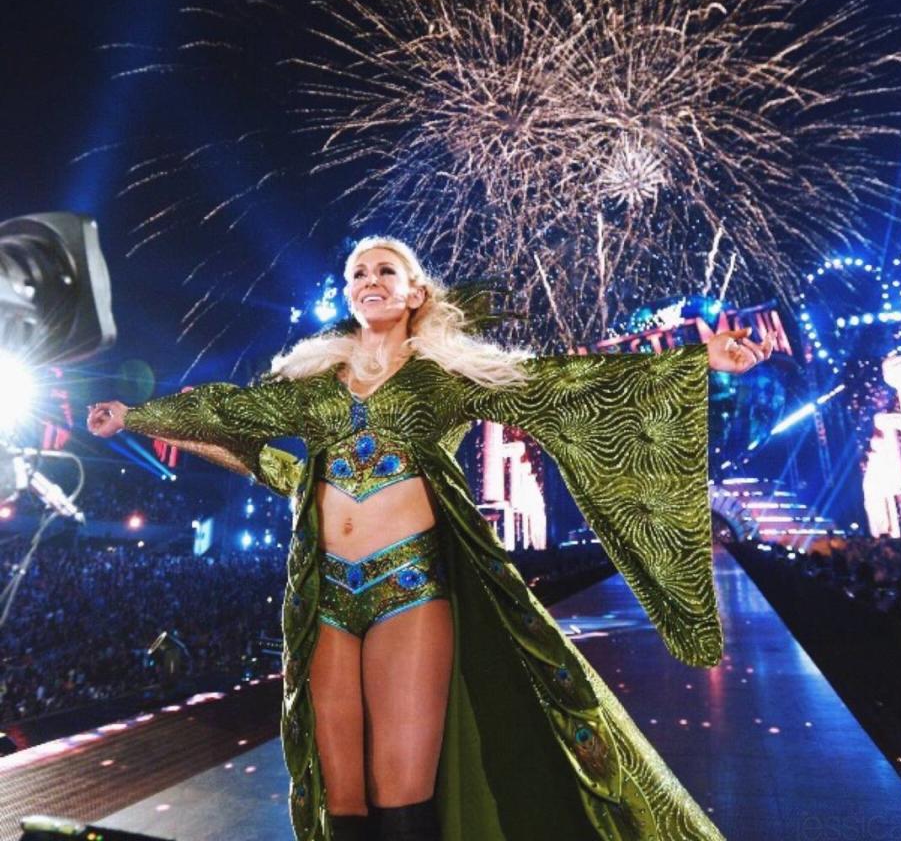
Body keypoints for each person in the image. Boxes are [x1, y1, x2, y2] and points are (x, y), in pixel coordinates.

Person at [88, 236, 773, 841]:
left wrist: (696, 359)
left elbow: (559, 383)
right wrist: (134, 414)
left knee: (402, 800)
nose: (369, 281)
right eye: (357, 274)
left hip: (410, 589)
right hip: (325, 598)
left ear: (416, 292)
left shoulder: (442, 374)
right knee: (343, 801)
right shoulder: (310, 384)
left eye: (385, 270)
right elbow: (224, 407)